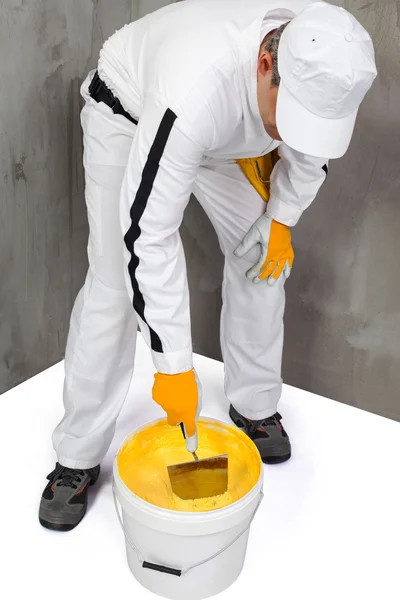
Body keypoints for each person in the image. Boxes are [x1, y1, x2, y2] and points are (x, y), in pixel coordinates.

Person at [39, 0, 377, 531]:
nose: (294, 138)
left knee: (262, 258)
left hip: (226, 137)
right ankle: (76, 456)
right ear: (267, 65)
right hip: (131, 113)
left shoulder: (325, 53)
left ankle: (253, 403)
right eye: (290, 120)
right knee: (113, 283)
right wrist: (174, 368)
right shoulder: (195, 85)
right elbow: (147, 236)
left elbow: (311, 154)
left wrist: (282, 216)